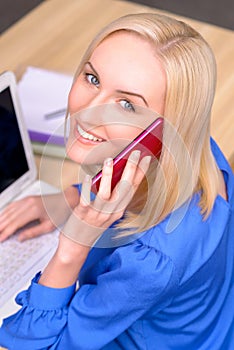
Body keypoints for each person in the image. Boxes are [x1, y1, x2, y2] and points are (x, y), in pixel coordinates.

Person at [0, 12, 233, 350]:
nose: (89, 111)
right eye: (92, 78)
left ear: (168, 130)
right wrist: (71, 197)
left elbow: (29, 346)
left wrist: (71, 249)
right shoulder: (195, 153)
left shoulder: (151, 261)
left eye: (126, 104)